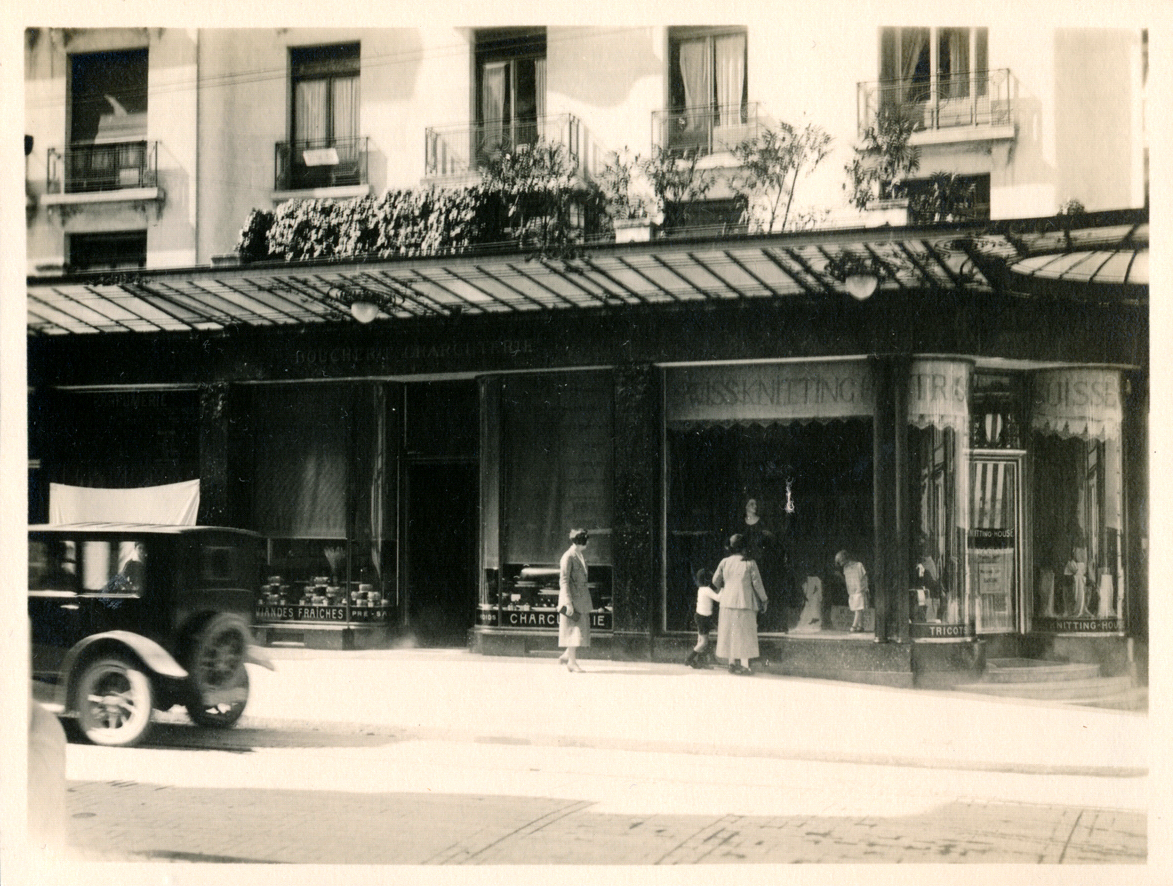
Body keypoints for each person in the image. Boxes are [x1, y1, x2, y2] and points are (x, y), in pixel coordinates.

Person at [712, 534, 768, 675]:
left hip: (727, 602)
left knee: (730, 633)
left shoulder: (724, 562)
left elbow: (715, 582)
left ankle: (731, 663)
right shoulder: (750, 563)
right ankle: (744, 665)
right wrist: (764, 599)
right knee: (745, 634)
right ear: (744, 548)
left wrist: (721, 590)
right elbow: (757, 584)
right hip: (745, 603)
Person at [557, 529, 593, 672]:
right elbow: (564, 581)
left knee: (578, 629)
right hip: (572, 600)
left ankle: (567, 655)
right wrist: (568, 602)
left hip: (581, 599)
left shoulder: (579, 555)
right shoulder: (568, 557)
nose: (588, 542)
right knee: (573, 631)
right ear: (581, 541)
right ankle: (571, 663)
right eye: (586, 540)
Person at [686, 566, 722, 668]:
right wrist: (723, 588)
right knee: (704, 642)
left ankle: (700, 662)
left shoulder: (701, 589)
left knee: (700, 641)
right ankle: (689, 659)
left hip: (700, 616)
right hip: (704, 618)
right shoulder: (707, 589)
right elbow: (718, 598)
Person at [836, 550, 869, 632]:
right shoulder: (845, 568)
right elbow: (847, 580)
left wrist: (864, 588)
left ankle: (854, 626)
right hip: (852, 591)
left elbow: (865, 578)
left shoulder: (859, 565)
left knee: (858, 608)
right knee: (857, 608)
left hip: (859, 590)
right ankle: (860, 626)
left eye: (840, 561)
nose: (841, 564)